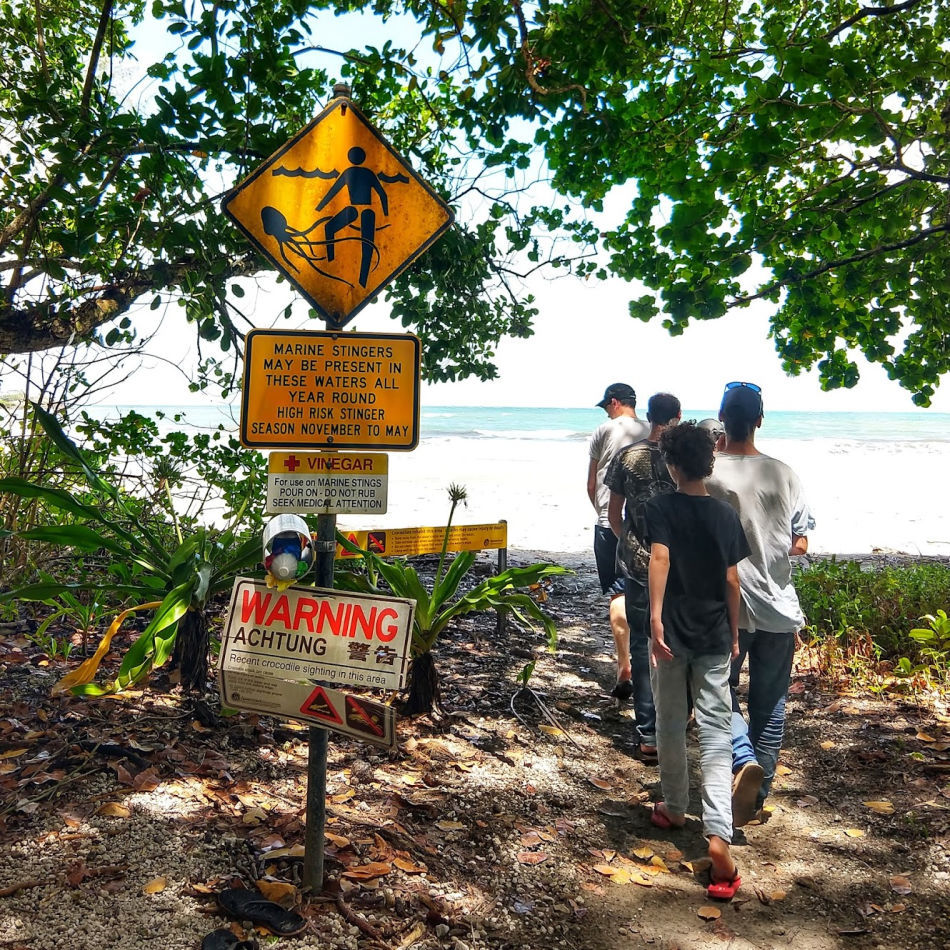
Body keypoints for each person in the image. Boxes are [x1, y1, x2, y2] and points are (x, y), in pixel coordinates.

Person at [643, 421, 750, 900]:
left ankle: (673, 807)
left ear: (671, 465)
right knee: (715, 730)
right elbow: (732, 580)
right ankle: (718, 834)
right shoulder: (726, 515)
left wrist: (656, 620)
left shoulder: (658, 507)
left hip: (673, 634)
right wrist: (733, 630)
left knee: (669, 721)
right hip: (711, 633)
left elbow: (659, 559)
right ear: (709, 463)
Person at [706, 381, 816, 827]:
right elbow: (800, 543)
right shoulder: (783, 473)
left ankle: (741, 758)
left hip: (721, 606)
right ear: (759, 420)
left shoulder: (708, 472)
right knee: (770, 703)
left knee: (716, 693)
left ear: (721, 419)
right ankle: (756, 794)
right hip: (776, 604)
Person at [604, 392, 681, 760]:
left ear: (650, 416)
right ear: (679, 416)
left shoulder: (628, 456)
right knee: (678, 642)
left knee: (641, 643)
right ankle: (677, 724)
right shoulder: (685, 459)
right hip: (680, 564)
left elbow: (613, 513)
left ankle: (648, 733)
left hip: (637, 564)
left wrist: (630, 542)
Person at [587, 383, 650, 697]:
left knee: (618, 594)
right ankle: (650, 663)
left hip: (608, 523)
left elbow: (590, 483)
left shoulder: (604, 431)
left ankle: (624, 665)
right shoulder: (654, 430)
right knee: (650, 593)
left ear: (613, 402)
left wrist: (602, 512)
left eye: (606, 405)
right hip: (649, 526)